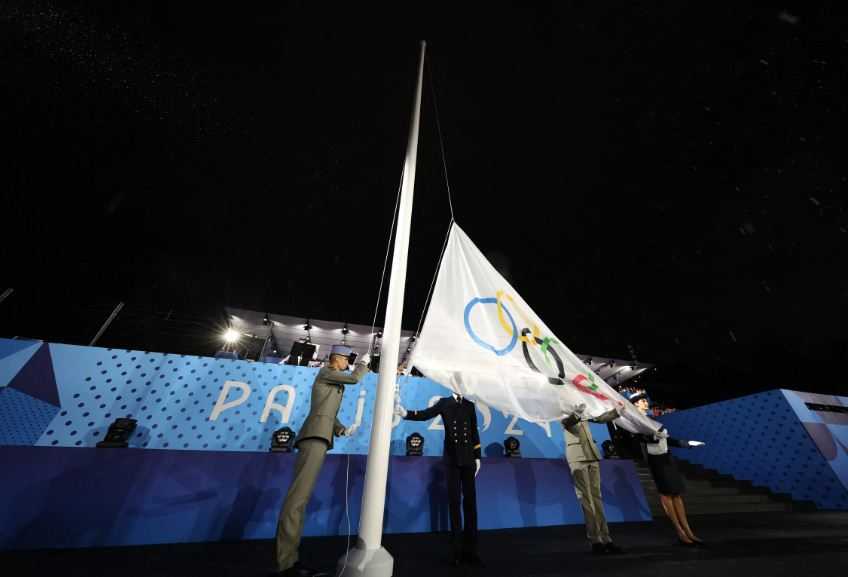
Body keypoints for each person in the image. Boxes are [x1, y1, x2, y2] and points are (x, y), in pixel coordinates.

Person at [273, 345, 370, 577]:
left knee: (301, 500)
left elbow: (327, 412)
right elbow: (355, 379)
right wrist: (363, 365)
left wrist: (342, 430)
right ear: (338, 359)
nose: (348, 364)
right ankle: (285, 564)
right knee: (297, 500)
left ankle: (289, 561)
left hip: (321, 437)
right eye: (347, 360)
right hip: (313, 437)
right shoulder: (326, 371)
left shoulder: (332, 381)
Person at [395, 391, 483, 567]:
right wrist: (406, 414)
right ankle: (456, 551)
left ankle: (471, 551)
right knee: (454, 504)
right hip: (452, 460)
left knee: (471, 505)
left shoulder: (469, 405)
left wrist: (477, 456)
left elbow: (474, 432)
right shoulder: (444, 403)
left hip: (468, 460)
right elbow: (426, 414)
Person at [628, 390, 705, 547]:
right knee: (666, 495)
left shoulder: (650, 419)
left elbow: (668, 440)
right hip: (656, 460)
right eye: (641, 400)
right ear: (635, 404)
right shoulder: (636, 420)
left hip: (667, 458)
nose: (645, 402)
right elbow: (638, 438)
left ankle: (688, 530)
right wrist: (654, 436)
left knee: (676, 494)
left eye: (645, 400)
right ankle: (680, 531)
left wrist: (688, 444)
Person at [561, 403, 625, 555]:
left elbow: (600, 418)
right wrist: (576, 413)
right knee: (586, 500)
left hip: (592, 454)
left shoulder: (583, 407)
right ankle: (596, 541)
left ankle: (607, 539)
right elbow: (567, 422)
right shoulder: (562, 407)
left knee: (597, 499)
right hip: (577, 456)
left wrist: (616, 411)